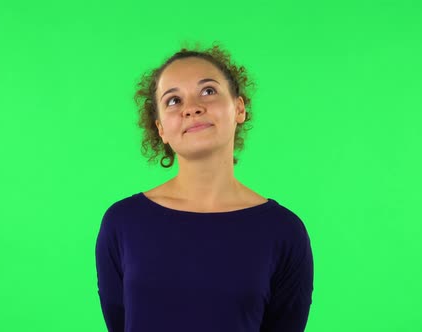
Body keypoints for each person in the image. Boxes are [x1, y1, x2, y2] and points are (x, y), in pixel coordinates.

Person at [95, 42, 314, 332]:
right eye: (173, 100)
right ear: (161, 128)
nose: (192, 108)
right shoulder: (122, 223)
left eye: (208, 91)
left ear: (239, 108)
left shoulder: (284, 232)